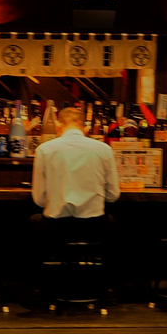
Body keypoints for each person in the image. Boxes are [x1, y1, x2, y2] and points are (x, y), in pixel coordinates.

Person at [30, 105, 120, 304]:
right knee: (114, 224)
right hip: (94, 226)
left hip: (56, 227)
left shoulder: (45, 149)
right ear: (85, 126)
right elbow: (113, 195)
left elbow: (38, 199)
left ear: (59, 126)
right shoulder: (103, 149)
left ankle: (39, 288)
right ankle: (107, 288)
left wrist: (56, 199)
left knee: (33, 222)